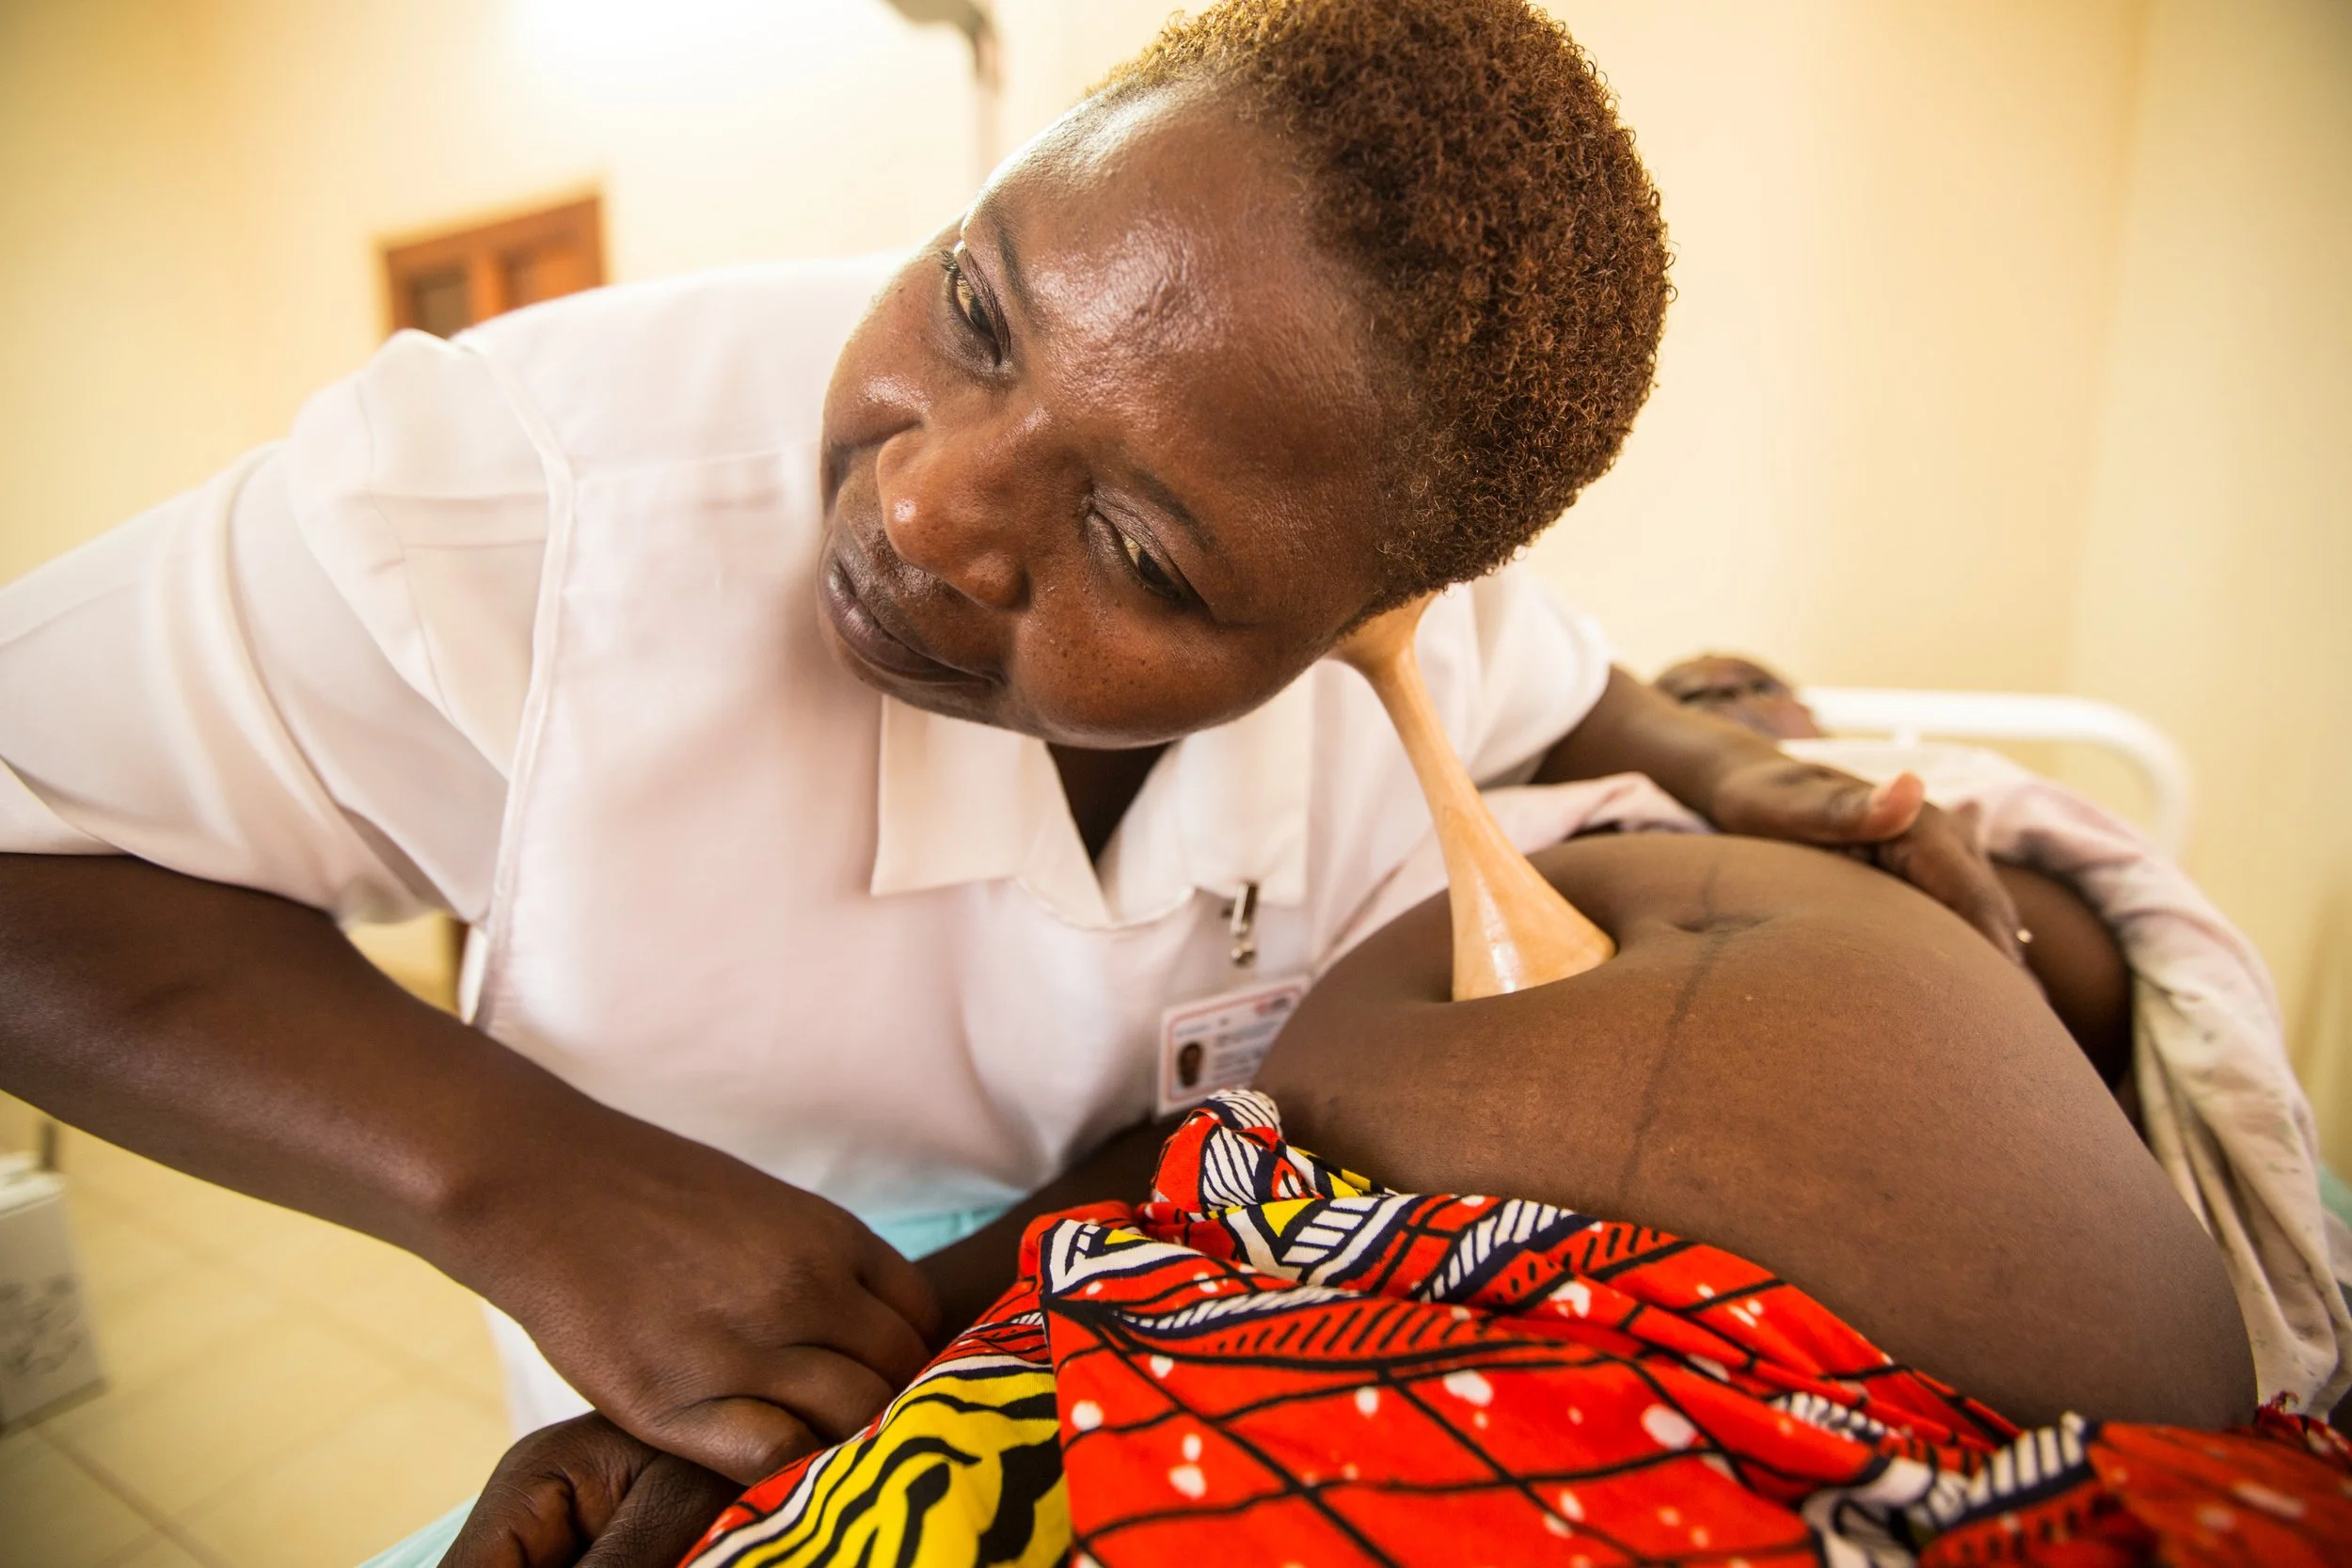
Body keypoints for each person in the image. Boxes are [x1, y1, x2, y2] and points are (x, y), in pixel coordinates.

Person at [0, 0, 2024, 1490]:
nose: (921, 509)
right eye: (976, 312)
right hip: (688, 1444)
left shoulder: (1416, 639)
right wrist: (525, 1180)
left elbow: (1567, 685)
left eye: (1135, 546)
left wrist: (1712, 749)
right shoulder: (513, 516)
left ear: (1370, 618)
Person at [433, 823, 2256, 1568]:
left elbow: (2116, 988)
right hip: (1267, 1322)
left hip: (1908, 1435)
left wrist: (1929, 871)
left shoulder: (1898, 826)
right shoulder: (1499, 736)